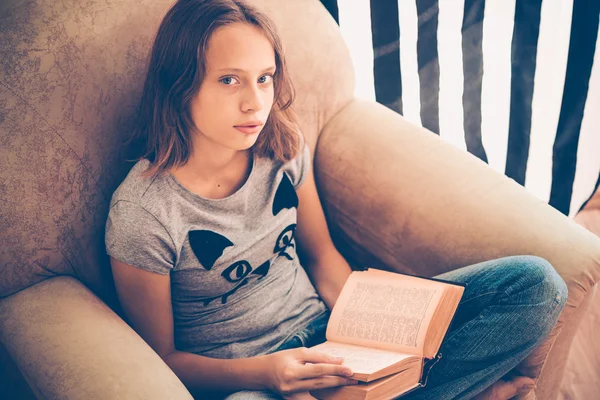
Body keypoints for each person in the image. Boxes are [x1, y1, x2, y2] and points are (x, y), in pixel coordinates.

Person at [104, 1, 568, 399]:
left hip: (326, 332)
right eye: (230, 80)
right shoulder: (143, 212)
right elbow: (163, 360)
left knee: (536, 285)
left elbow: (323, 258)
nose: (255, 103)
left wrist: (370, 335)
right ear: (180, 85)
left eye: (264, 78)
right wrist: (271, 372)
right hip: (250, 376)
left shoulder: (280, 146)